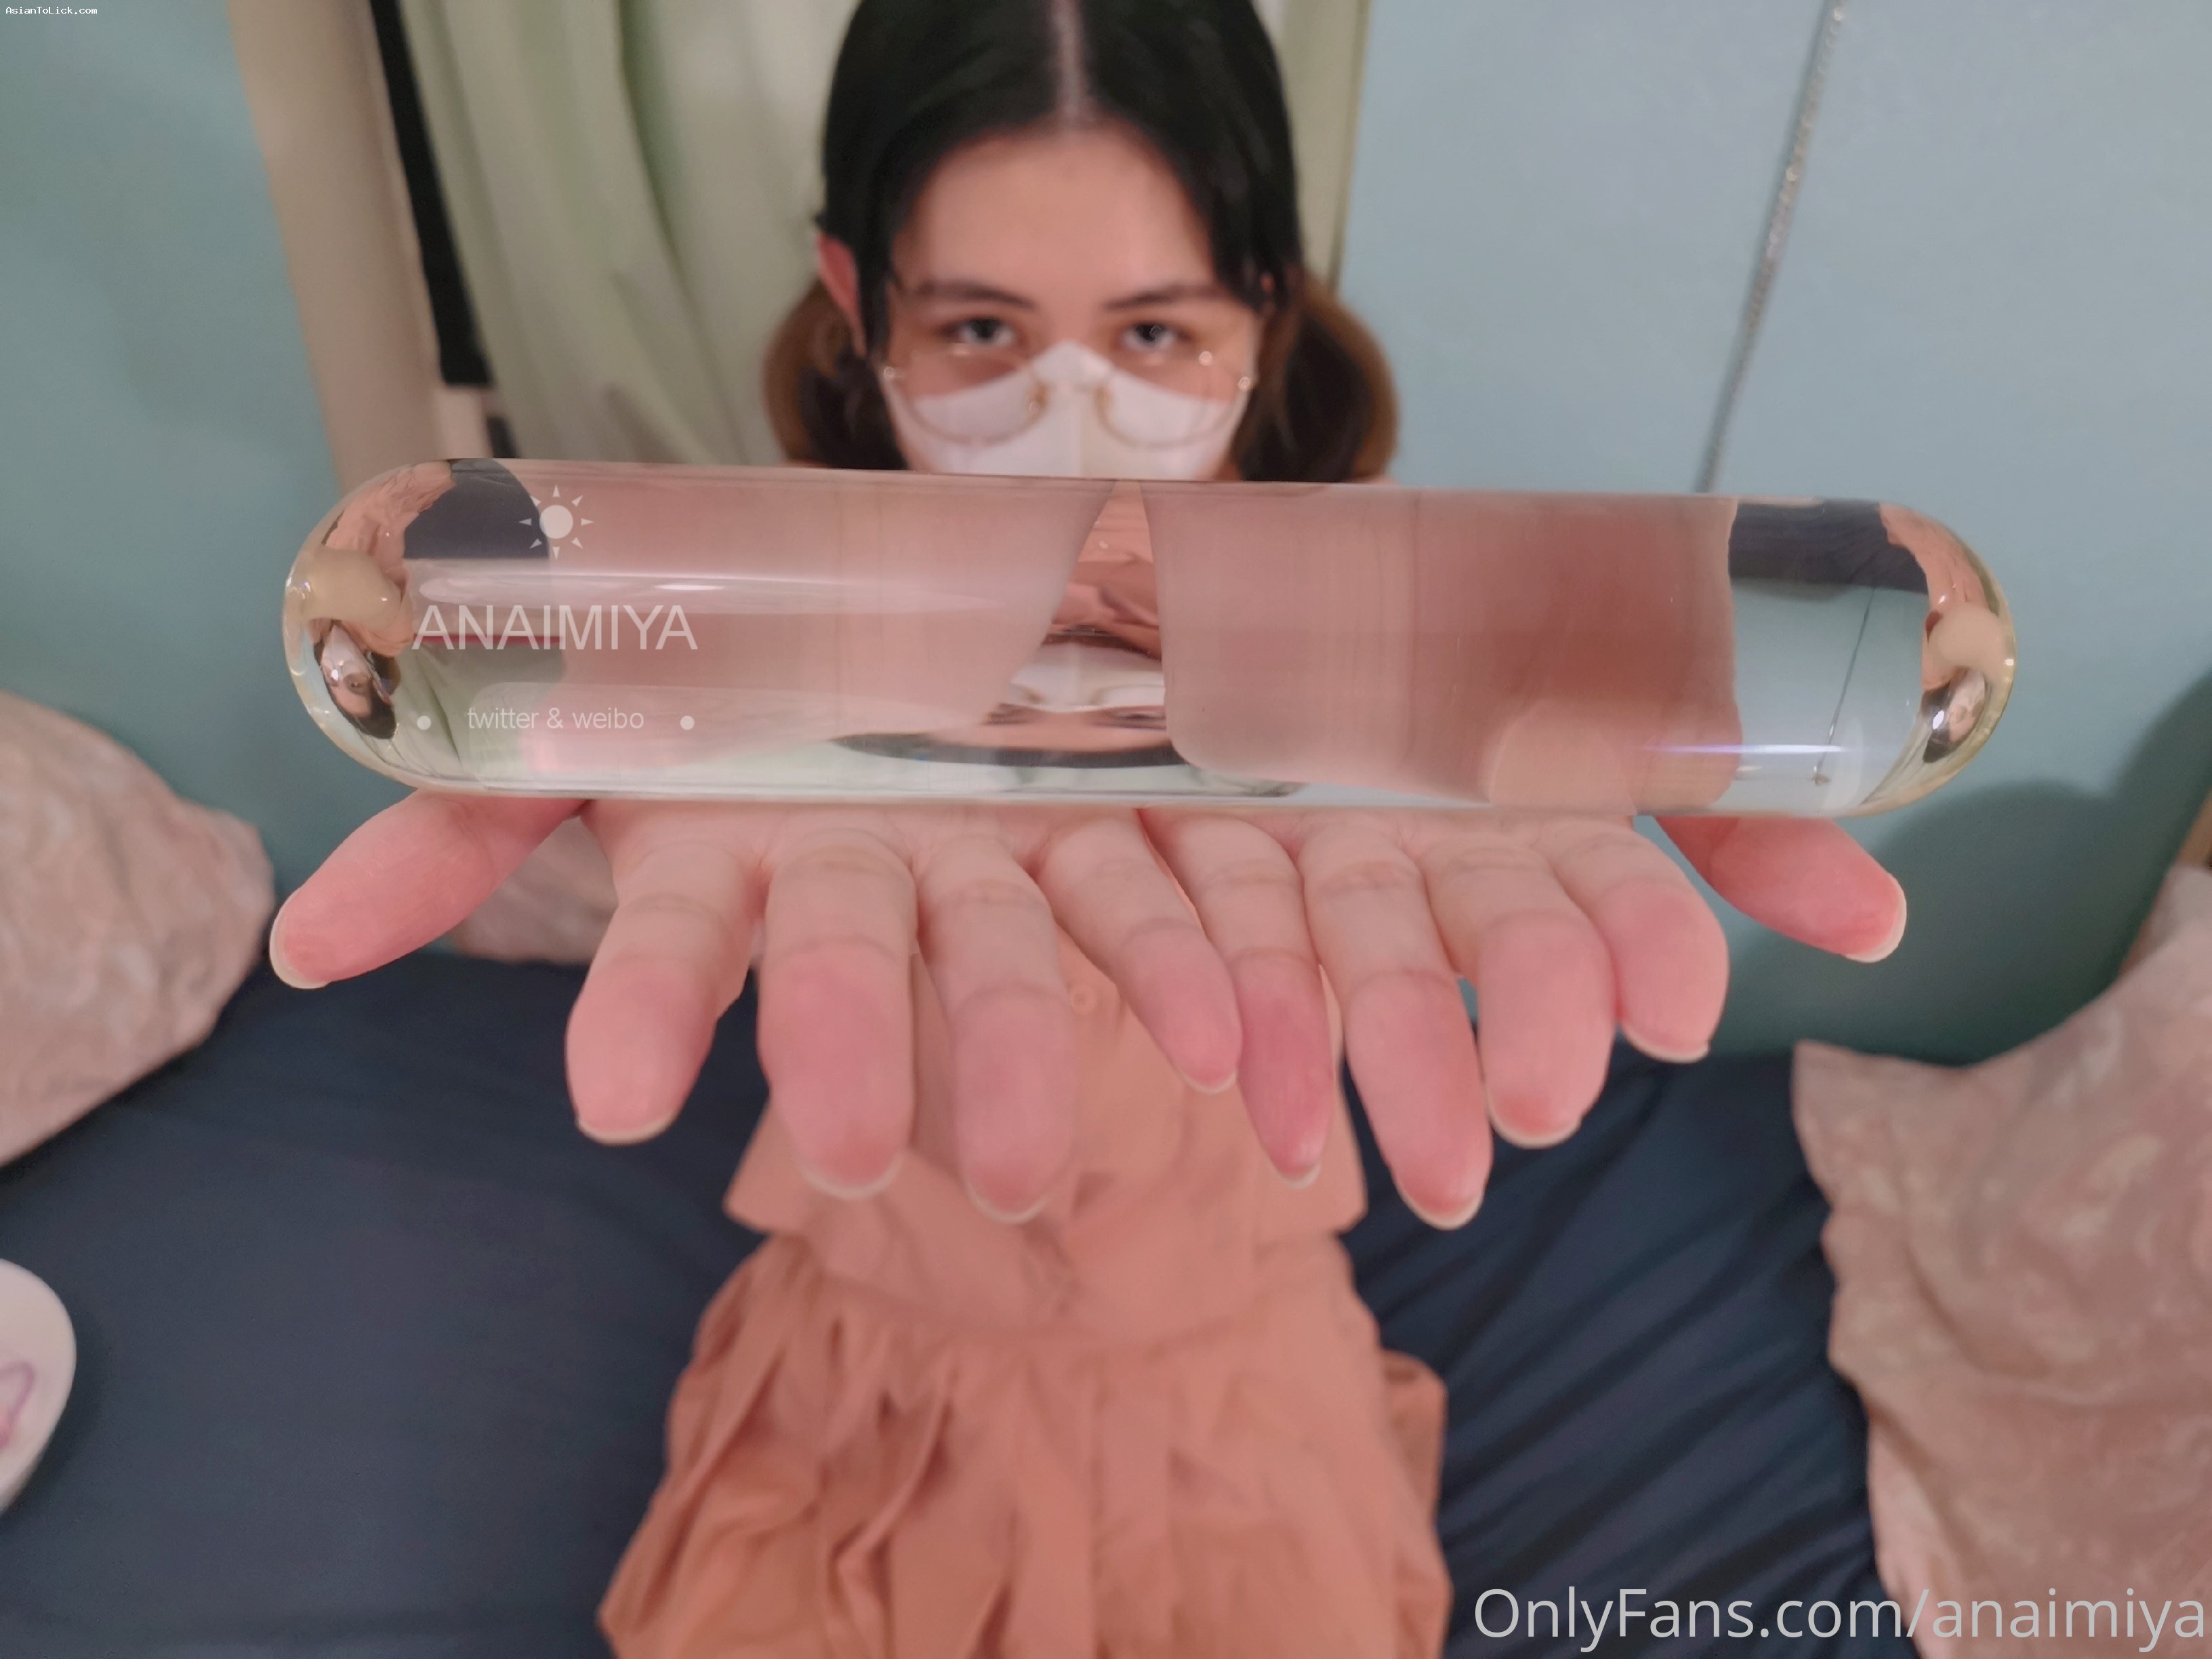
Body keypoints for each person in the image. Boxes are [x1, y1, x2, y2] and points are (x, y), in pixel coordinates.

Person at [268, 0, 1909, 1650]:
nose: (1071, 408)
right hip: (874, 1366)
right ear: (858, 298)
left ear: (1264, 307)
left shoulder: (1389, 629)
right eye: (982, 328)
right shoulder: (773, 618)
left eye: (1154, 332)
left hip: (1233, 1382)